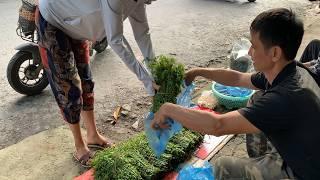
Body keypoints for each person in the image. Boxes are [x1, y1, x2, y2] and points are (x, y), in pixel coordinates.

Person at [151, 8, 320, 179]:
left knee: (224, 167)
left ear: (275, 53)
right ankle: (261, 161)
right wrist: (197, 72)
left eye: (254, 46)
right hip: (302, 148)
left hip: (303, 171)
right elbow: (238, 78)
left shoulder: (284, 97)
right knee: (257, 98)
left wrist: (168, 109)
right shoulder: (290, 70)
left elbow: (217, 126)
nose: (249, 52)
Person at [36, 0, 158, 167]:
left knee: (86, 81)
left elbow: (143, 34)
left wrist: (155, 72)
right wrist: (148, 82)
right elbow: (116, 40)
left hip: (78, 25)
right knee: (68, 88)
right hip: (54, 19)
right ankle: (79, 145)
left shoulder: (140, 1)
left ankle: (92, 135)